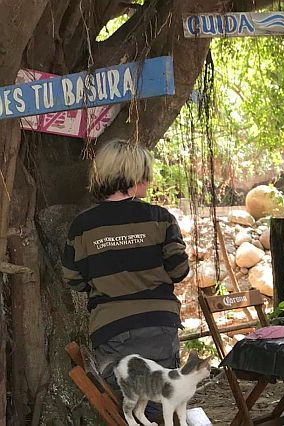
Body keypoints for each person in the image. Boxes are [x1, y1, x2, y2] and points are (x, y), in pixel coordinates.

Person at [62, 139, 189, 419]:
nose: (150, 179)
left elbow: (73, 279)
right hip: (159, 325)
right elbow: (179, 270)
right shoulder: (160, 218)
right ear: (132, 176)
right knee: (159, 406)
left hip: (111, 328)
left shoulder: (82, 226)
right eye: (146, 173)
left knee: (127, 409)